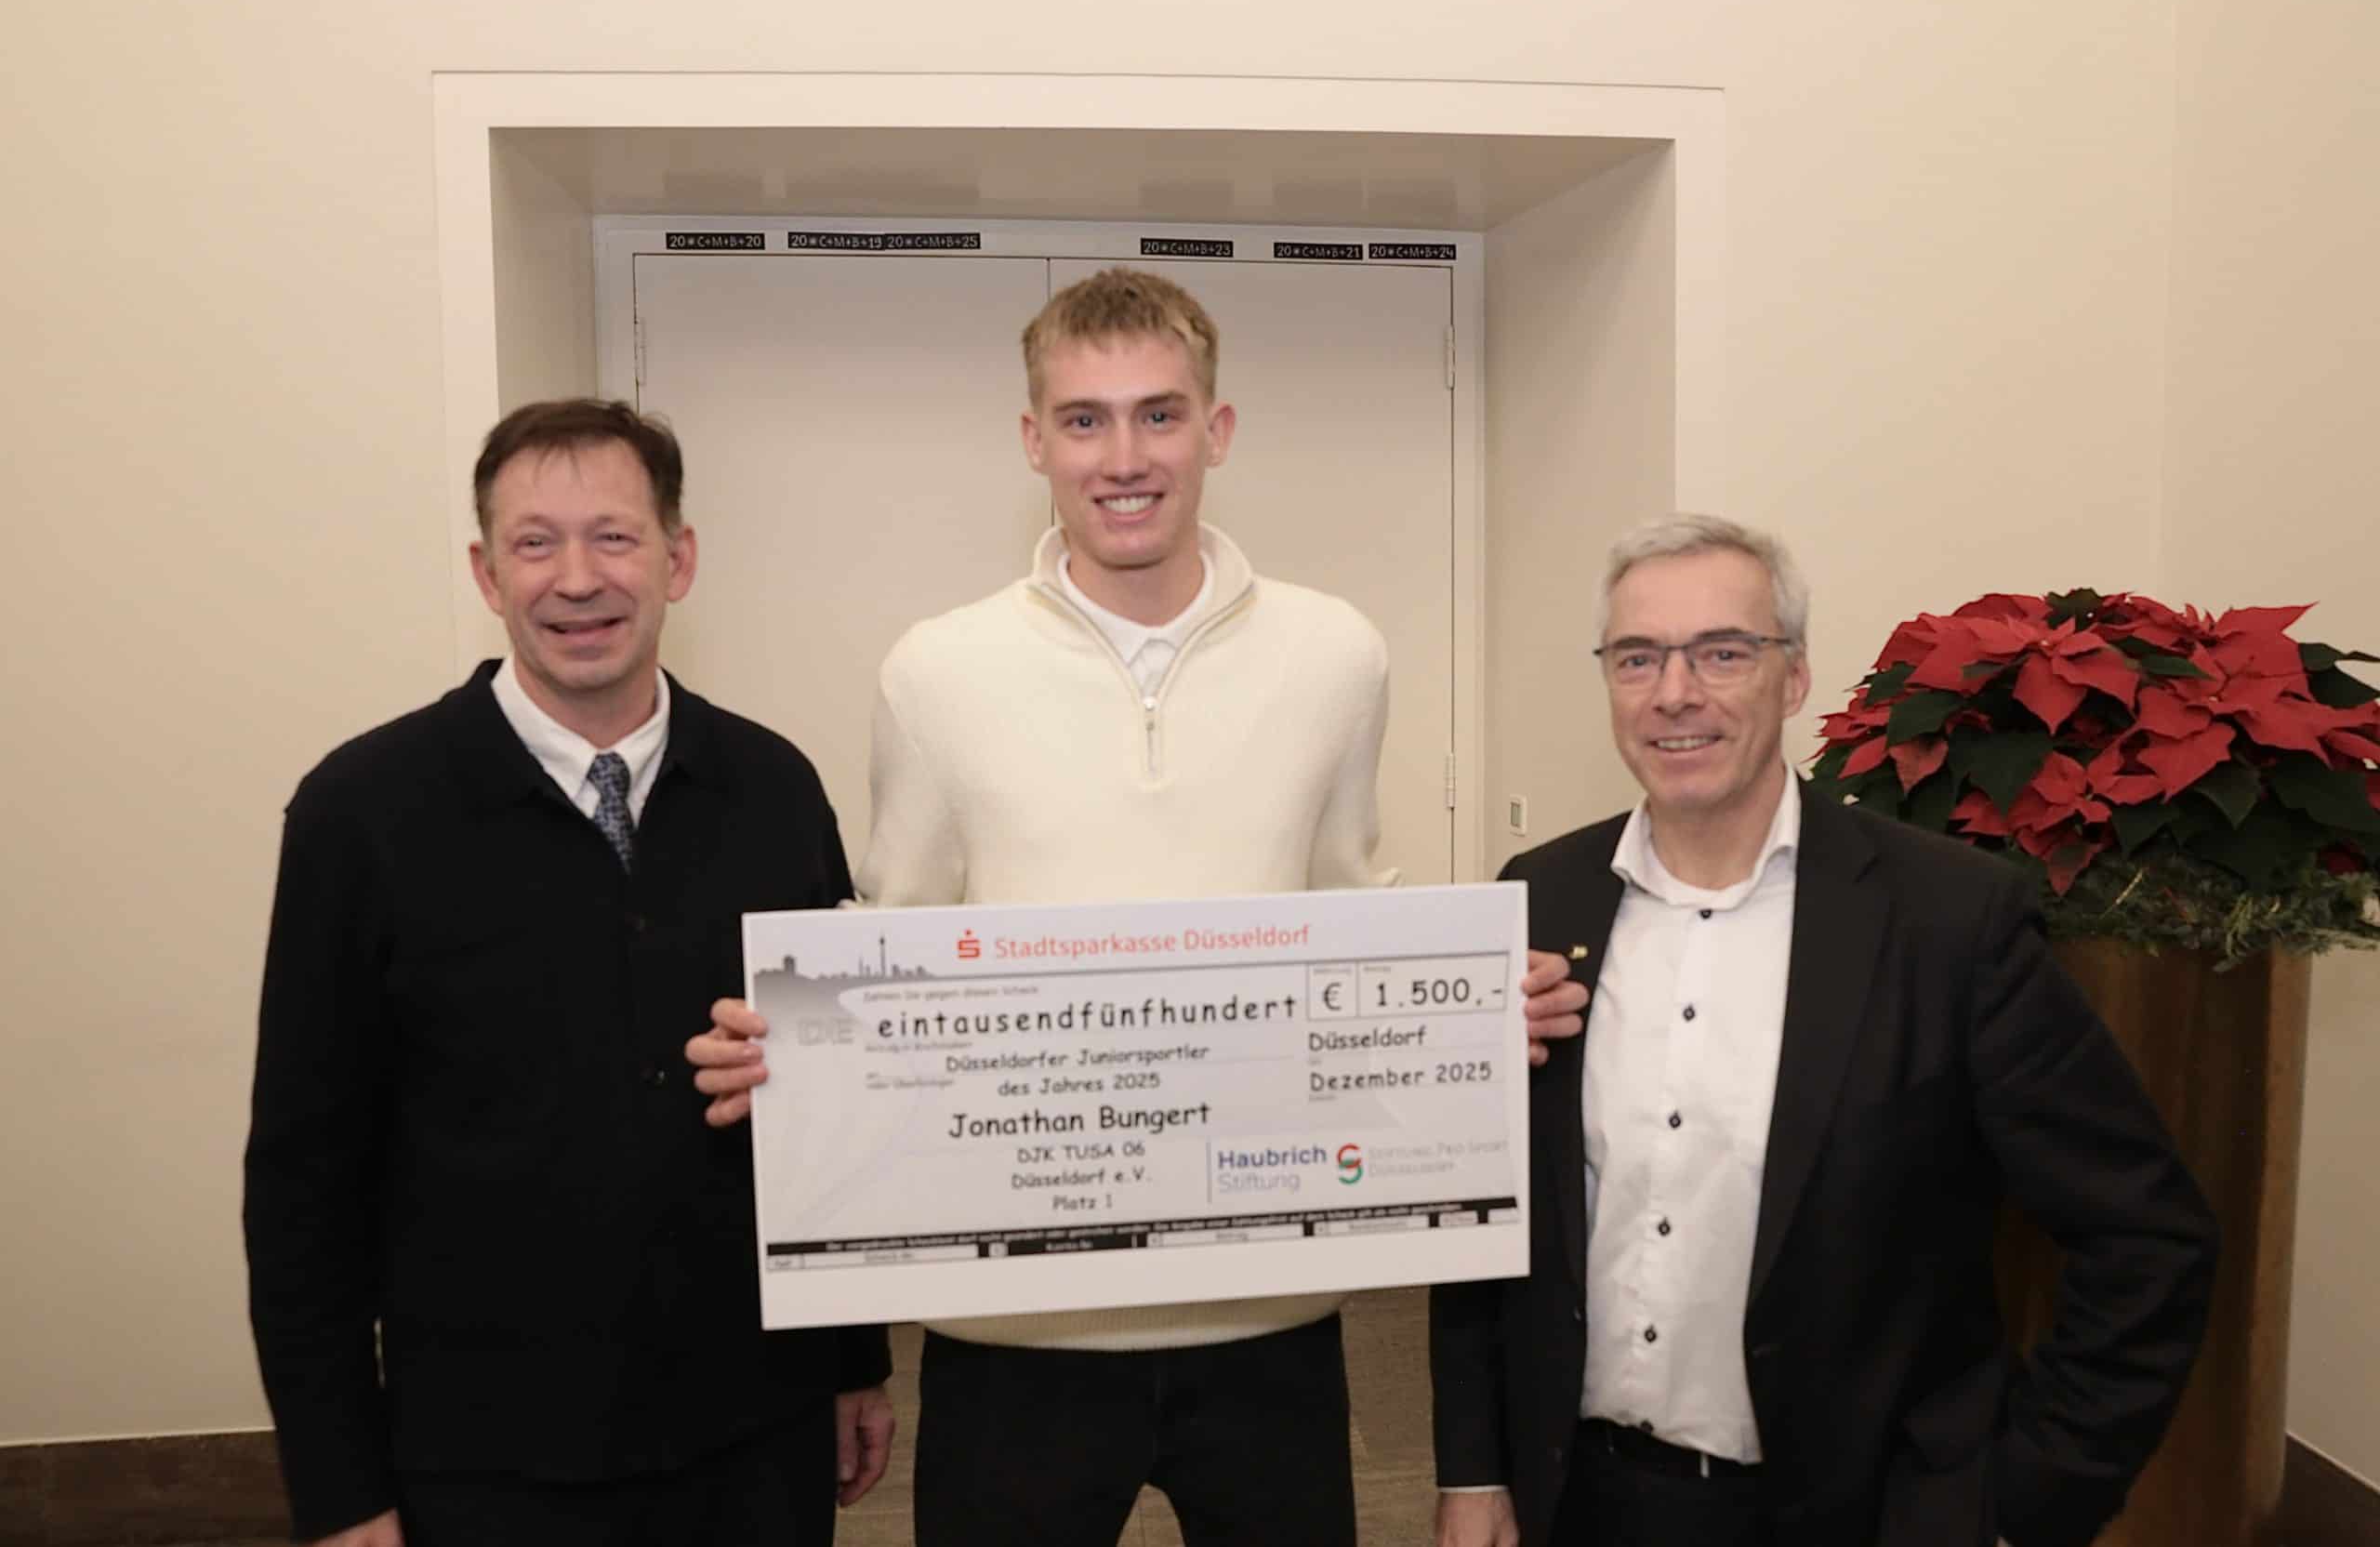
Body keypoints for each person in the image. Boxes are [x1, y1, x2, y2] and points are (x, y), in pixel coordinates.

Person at [688, 268, 1587, 1547]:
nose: (1124, 457)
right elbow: (892, 942)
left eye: (1159, 415)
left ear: (1216, 430)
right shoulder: (937, 669)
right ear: (1033, 440)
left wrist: (1473, 1008)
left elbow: (1349, 908)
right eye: (1085, 419)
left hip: (1269, 1310)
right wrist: (793, 1046)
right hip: (1012, 1325)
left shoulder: (1335, 654)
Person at [1429, 513, 2220, 1547]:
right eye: (1637, 657)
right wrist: (1474, 1468)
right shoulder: (1541, 899)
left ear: (1794, 675)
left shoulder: (1946, 921)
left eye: (1722, 652)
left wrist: (2021, 1503)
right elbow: (1484, 1217)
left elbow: (2147, 1237)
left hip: (1858, 1509)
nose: (1675, 692)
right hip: (1578, 1499)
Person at [244, 400, 892, 1547]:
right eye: (535, 543)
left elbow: (830, 1106)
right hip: (484, 1461)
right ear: (486, 574)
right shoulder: (360, 813)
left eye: (615, 537)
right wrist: (342, 1489)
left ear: (677, 559)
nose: (577, 579)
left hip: (755, 1438)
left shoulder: (776, 789)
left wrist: (852, 1360)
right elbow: (305, 1178)